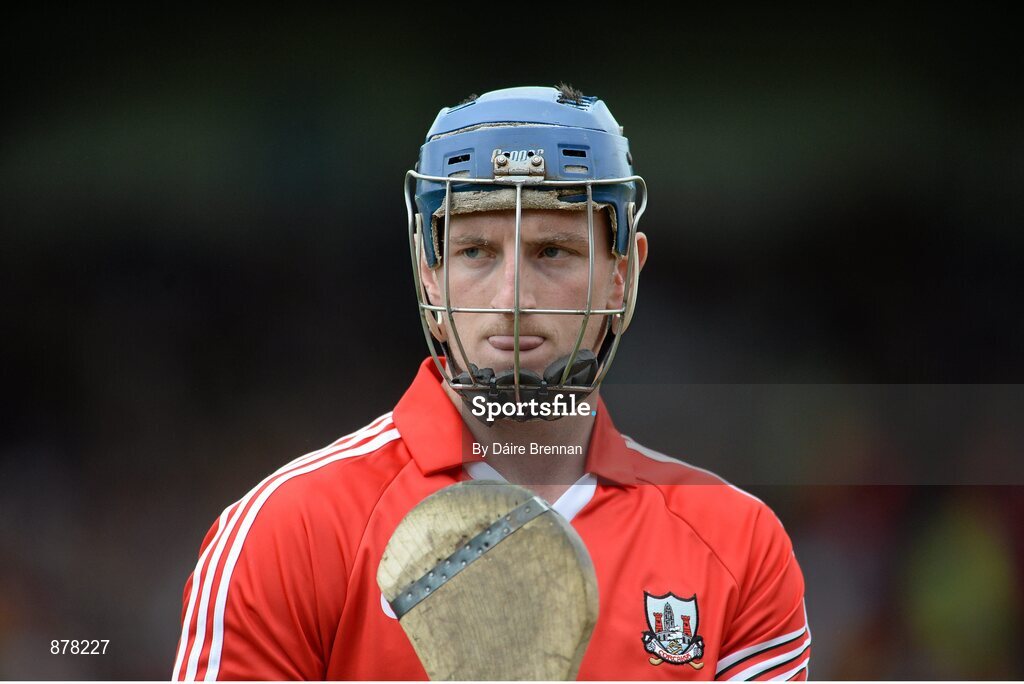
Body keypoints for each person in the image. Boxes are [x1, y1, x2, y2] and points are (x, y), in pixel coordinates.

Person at [172, 85, 810, 681]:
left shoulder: (738, 545)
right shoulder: (287, 531)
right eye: (477, 251)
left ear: (621, 274)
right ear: (429, 274)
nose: (511, 297)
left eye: (552, 251)